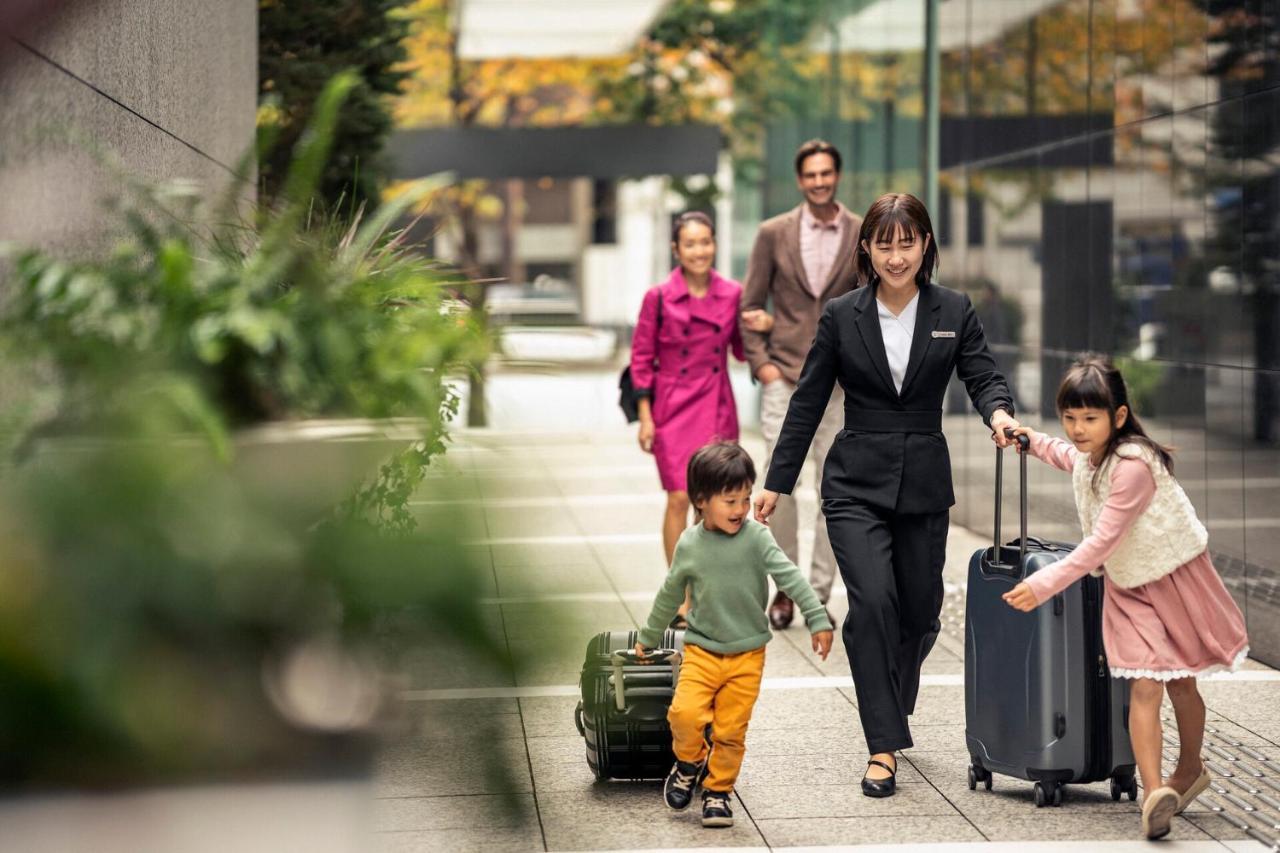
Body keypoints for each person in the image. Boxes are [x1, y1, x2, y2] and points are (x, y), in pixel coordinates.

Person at [753, 192, 1019, 798]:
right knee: (870, 604)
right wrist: (777, 481)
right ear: (866, 250)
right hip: (854, 482)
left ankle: (889, 702)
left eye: (908, 242)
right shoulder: (843, 314)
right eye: (884, 244)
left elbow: (982, 373)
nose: (896, 256)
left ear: (926, 245)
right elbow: (809, 400)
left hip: (924, 480)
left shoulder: (953, 308)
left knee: (921, 612)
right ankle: (883, 746)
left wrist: (999, 416)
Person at [1003, 355, 1248, 841]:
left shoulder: (1133, 467)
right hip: (1130, 590)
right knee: (1144, 685)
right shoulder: (1090, 455)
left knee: (1179, 683)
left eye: (1089, 418)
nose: (1077, 429)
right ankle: (1154, 794)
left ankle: (1191, 766)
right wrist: (1027, 438)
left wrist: (1044, 583)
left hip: (1172, 580)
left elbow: (1100, 544)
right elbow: (1064, 456)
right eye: (1070, 417)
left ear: (1118, 417)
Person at [634, 442, 834, 828]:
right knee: (684, 715)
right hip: (702, 650)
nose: (741, 509)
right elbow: (669, 593)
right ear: (701, 500)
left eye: (745, 498)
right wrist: (648, 636)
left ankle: (718, 792)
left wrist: (817, 618)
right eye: (730, 501)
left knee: (730, 730)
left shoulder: (756, 538)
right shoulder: (690, 544)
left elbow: (790, 577)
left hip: (747, 655)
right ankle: (689, 763)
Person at [739, 139, 862, 631]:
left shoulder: (859, 232)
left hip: (840, 382)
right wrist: (763, 365)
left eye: (826, 173)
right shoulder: (772, 233)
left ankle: (818, 591)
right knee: (779, 487)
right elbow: (750, 309)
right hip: (785, 376)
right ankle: (786, 589)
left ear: (837, 176)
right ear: (799, 180)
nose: (818, 181)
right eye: (810, 174)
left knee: (835, 488)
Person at [631, 212, 745, 626]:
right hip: (671, 408)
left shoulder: (733, 293)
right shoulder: (658, 297)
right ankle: (680, 594)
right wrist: (646, 418)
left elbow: (741, 349)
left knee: (715, 504)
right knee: (679, 497)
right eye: (690, 243)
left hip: (715, 407)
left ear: (715, 244)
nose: (700, 250)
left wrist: (760, 326)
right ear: (676, 250)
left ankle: (710, 591)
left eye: (706, 242)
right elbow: (641, 359)